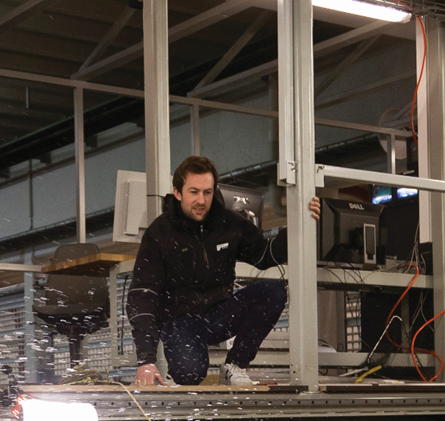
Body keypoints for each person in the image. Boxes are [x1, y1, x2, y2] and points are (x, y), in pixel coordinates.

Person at [127, 156, 320, 386]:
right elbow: (143, 295)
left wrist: (301, 221)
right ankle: (180, 368)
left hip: (220, 314)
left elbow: (264, 255)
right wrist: (146, 360)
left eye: (207, 192)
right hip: (181, 320)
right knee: (190, 375)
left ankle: (234, 365)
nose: (201, 200)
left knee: (274, 290)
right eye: (194, 192)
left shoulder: (229, 223)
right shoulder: (159, 233)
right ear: (177, 193)